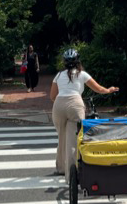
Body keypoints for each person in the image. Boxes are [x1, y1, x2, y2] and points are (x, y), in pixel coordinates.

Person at [50, 48, 118, 181]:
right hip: (75, 105)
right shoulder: (82, 74)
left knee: (62, 137)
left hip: (58, 105)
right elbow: (99, 89)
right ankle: (71, 176)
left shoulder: (58, 76)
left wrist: (62, 101)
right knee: (73, 141)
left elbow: (52, 96)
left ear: (64, 62)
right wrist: (109, 90)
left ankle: (60, 168)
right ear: (78, 61)